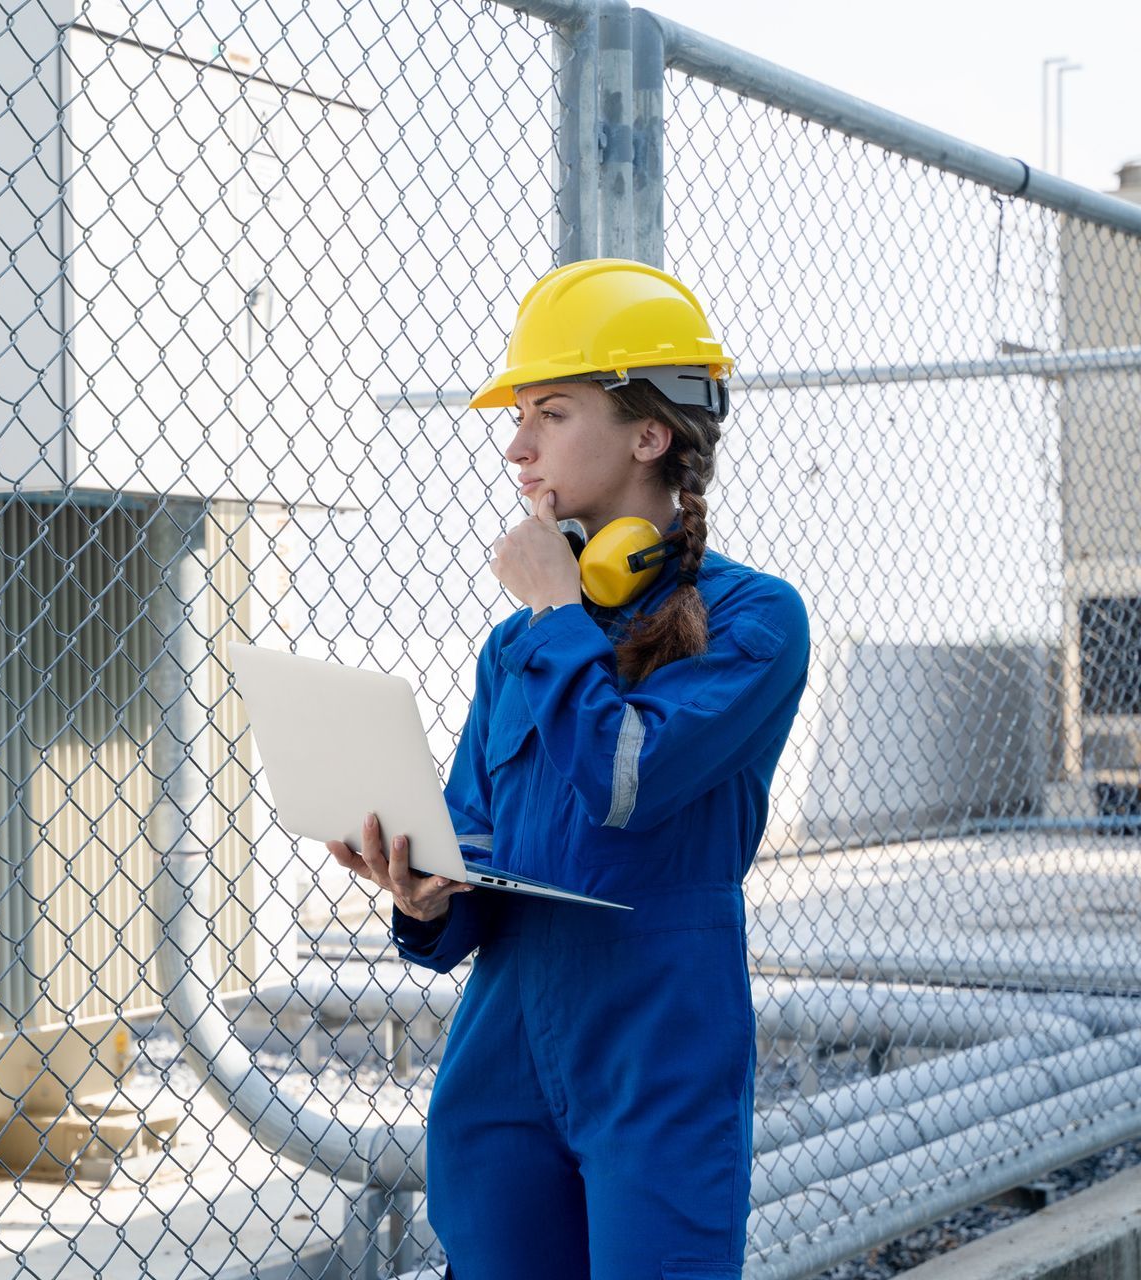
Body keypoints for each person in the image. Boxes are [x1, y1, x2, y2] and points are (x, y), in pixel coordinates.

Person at [324, 258, 811, 1279]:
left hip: (657, 1044)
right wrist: (420, 893)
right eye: (518, 417)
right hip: (506, 1055)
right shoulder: (517, 652)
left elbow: (625, 778)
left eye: (549, 411)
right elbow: (473, 874)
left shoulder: (756, 619)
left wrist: (553, 611)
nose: (516, 446)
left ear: (649, 431)